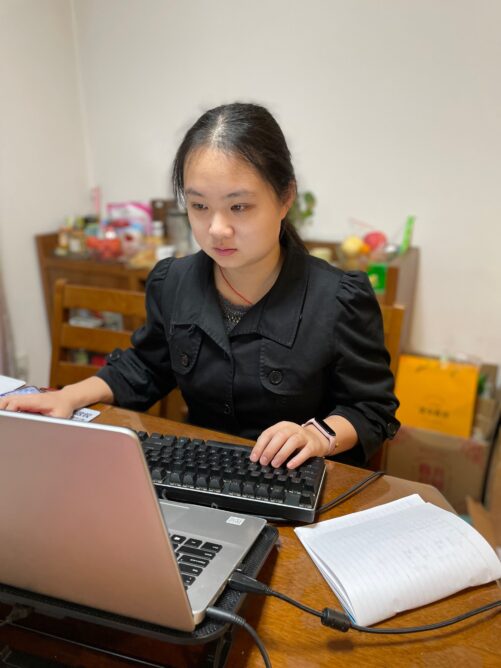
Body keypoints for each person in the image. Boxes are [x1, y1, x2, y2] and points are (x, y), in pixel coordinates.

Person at [0, 102, 399, 469]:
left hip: (299, 484)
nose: (217, 229)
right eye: (199, 206)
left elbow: (371, 409)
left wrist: (316, 435)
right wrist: (67, 396)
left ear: (285, 197)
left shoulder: (337, 299)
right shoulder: (173, 283)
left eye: (239, 206)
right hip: (201, 474)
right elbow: (146, 366)